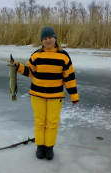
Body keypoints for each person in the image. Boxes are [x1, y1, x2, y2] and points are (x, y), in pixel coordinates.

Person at [12, 26, 79, 160]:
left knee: (52, 122)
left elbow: (69, 78)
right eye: (45, 38)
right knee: (40, 121)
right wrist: (18, 66)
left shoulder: (63, 56)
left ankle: (49, 147)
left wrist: (74, 96)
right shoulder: (36, 55)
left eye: (50, 38)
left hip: (55, 96)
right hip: (37, 95)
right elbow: (30, 72)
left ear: (55, 39)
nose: (48, 41)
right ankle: (40, 145)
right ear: (42, 40)